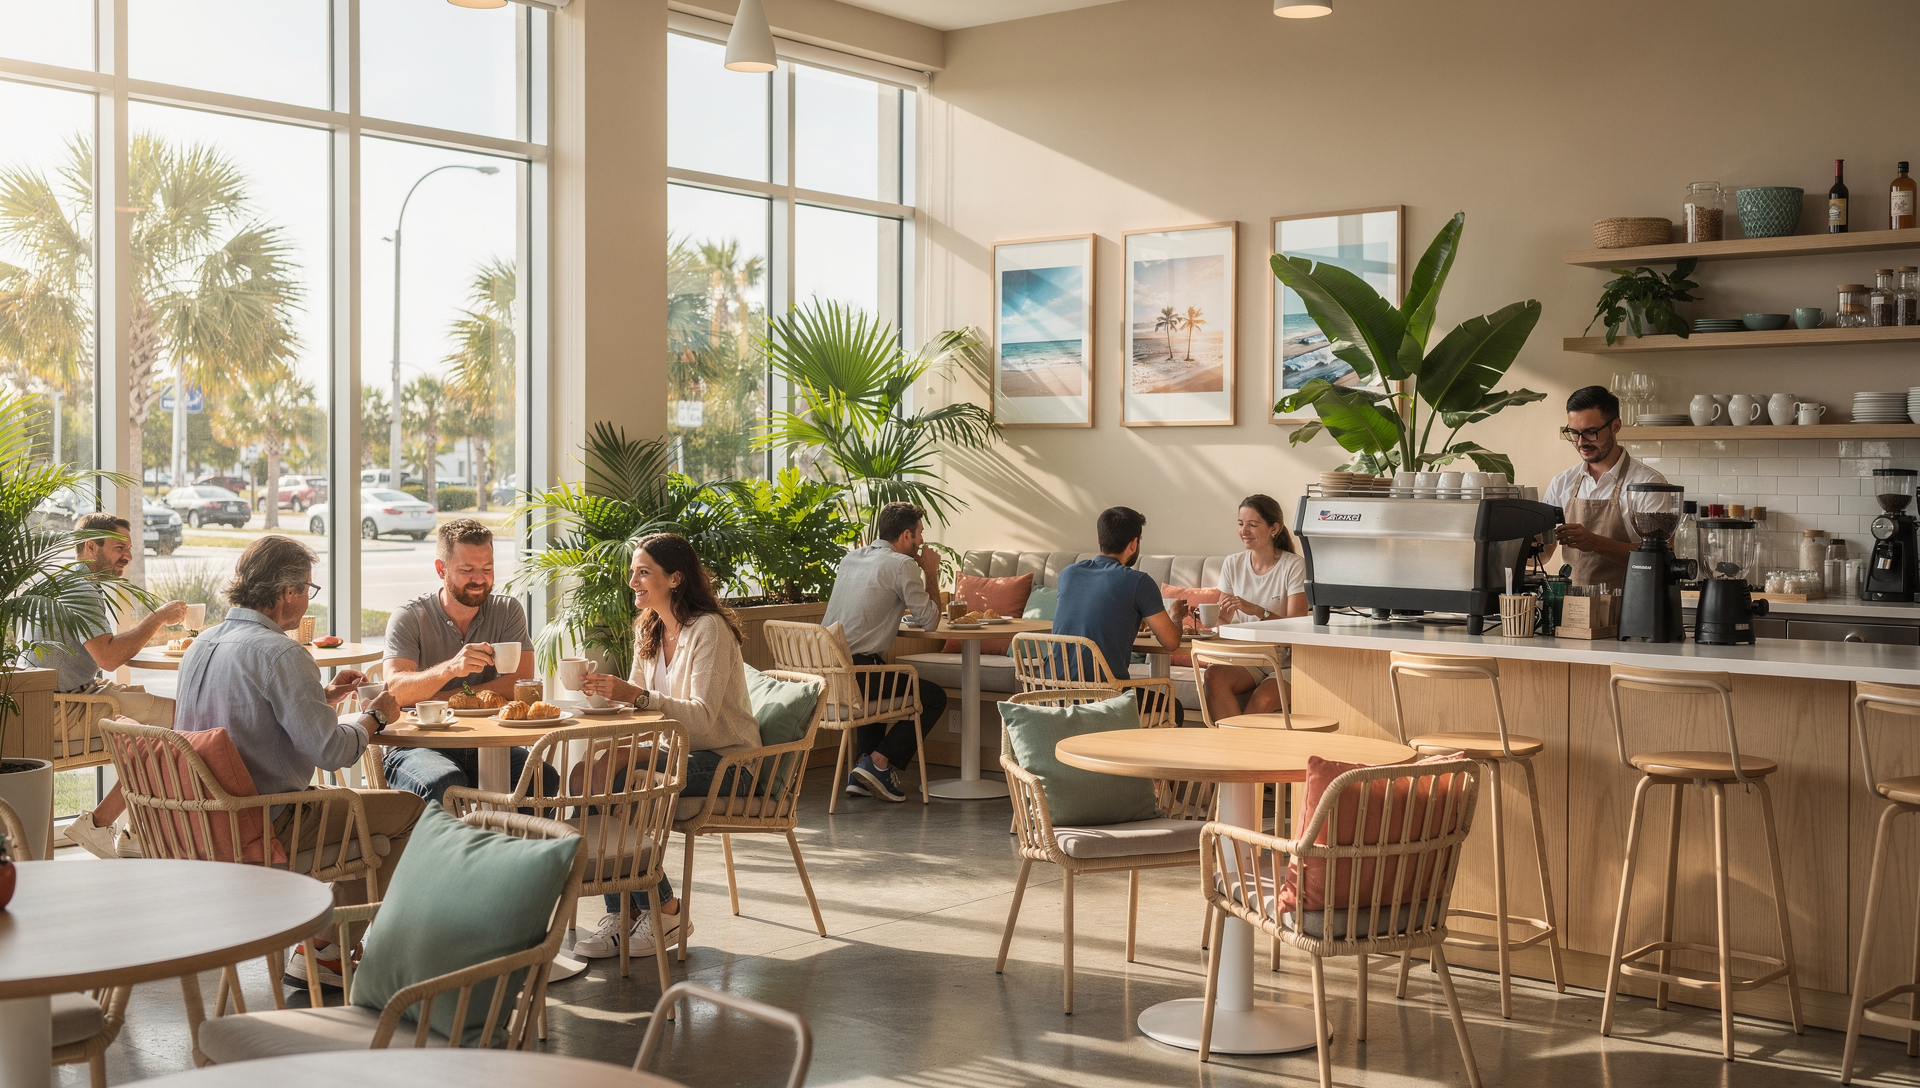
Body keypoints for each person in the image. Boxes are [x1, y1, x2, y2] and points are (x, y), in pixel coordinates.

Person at [173, 535, 419, 989]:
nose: (308, 600)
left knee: (371, 815)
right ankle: (326, 950)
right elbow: (331, 751)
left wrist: (321, 696)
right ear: (287, 593)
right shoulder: (283, 652)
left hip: (201, 822)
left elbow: (241, 714)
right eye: (308, 589)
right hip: (266, 821)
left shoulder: (202, 644)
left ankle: (323, 946)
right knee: (410, 811)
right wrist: (376, 716)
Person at [573, 532, 760, 959]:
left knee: (619, 778)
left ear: (675, 578)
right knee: (590, 774)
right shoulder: (650, 628)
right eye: (633, 572)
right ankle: (623, 914)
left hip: (730, 761)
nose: (633, 581)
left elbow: (700, 719)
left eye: (644, 572)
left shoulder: (708, 630)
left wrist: (634, 699)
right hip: (676, 753)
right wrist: (609, 699)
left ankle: (665, 908)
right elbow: (645, 711)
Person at [45, 512, 188, 859]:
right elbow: (108, 657)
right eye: (119, 547)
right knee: (186, 724)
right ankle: (98, 825)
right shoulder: (79, 588)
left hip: (69, 696)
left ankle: (133, 834)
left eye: (130, 548)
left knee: (171, 720)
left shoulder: (62, 582)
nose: (127, 556)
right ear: (90, 547)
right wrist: (156, 618)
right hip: (62, 710)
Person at [379, 518, 546, 804]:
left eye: (487, 569)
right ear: (441, 569)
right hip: (418, 747)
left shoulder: (507, 611)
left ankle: (514, 850)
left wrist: (443, 698)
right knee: (444, 783)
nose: (480, 579)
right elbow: (394, 694)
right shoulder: (409, 617)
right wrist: (451, 668)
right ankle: (450, 851)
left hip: (490, 743)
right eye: (467, 570)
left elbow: (522, 686)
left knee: (541, 778)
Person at [818, 501, 946, 803]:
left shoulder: (850, 559)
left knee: (880, 672)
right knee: (932, 698)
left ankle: (863, 776)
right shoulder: (902, 565)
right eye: (919, 534)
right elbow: (930, 621)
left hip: (824, 676)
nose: (921, 541)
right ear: (905, 536)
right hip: (857, 676)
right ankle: (877, 762)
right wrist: (930, 572)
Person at [1542, 384, 1670, 589]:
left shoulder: (1649, 485)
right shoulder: (1561, 483)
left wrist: (1594, 543)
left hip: (1632, 611)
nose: (1581, 442)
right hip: (1574, 612)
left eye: (1591, 432)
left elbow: (1659, 560)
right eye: (1574, 433)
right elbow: (1544, 554)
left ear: (1616, 426)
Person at [1203, 494, 1310, 723]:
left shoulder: (1293, 566)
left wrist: (1259, 611)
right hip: (1251, 657)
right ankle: (1233, 751)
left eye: (1252, 525)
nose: (1244, 531)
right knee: (1214, 676)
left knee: (1262, 700)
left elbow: (1298, 625)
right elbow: (1222, 619)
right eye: (1241, 524)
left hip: (1287, 662)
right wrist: (1211, 622)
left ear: (1274, 529)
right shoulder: (1233, 563)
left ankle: (1235, 750)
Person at [1052, 506, 1181, 682]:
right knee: (1174, 707)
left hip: (1052, 695)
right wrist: (1176, 615)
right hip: (1104, 700)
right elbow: (1171, 642)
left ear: (1099, 539)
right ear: (1133, 544)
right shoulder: (1138, 582)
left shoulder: (1068, 574)